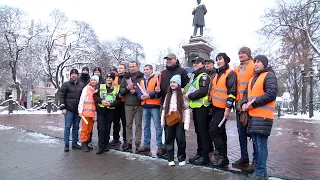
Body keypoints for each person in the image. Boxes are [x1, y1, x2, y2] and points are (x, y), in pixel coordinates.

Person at [241, 55, 277, 179]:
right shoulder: (253, 78)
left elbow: (271, 93)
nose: (255, 64)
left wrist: (252, 104)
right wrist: (243, 103)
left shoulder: (269, 75)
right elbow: (246, 94)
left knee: (261, 145)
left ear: (264, 64)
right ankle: (262, 172)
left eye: (258, 62)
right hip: (253, 116)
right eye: (254, 62)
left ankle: (260, 173)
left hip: (263, 116)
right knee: (257, 144)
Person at [209, 53, 237, 167]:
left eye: (220, 59)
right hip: (215, 107)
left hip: (223, 108)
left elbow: (232, 92)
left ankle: (221, 156)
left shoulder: (230, 74)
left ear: (225, 60)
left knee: (213, 130)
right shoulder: (217, 74)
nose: (218, 61)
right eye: (217, 59)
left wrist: (228, 108)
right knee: (220, 132)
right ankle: (224, 158)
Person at [159, 53, 190, 156]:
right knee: (167, 129)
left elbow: (188, 86)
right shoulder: (163, 72)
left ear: (175, 59)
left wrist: (184, 95)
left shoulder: (182, 71)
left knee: (179, 131)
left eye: (170, 59)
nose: (168, 61)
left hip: (178, 106)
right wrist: (158, 91)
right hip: (166, 103)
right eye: (167, 59)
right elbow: (160, 89)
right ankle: (167, 150)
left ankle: (180, 153)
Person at [233, 47, 257, 171]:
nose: (240, 54)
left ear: (248, 54)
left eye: (243, 52)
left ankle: (256, 160)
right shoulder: (237, 68)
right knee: (241, 133)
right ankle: (244, 157)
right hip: (239, 106)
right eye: (239, 52)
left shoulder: (254, 65)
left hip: (250, 105)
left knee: (252, 133)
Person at [185, 57, 211, 166]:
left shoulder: (204, 76)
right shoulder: (195, 76)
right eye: (194, 63)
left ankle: (205, 157)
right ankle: (199, 153)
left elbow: (203, 91)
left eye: (197, 62)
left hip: (202, 107)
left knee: (202, 133)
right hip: (196, 107)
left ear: (202, 64)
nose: (194, 64)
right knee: (198, 132)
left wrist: (189, 96)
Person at [161, 75, 191, 166]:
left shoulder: (182, 94)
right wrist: (163, 121)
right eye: (171, 83)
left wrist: (186, 123)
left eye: (174, 82)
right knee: (169, 140)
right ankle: (170, 159)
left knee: (181, 140)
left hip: (179, 121)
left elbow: (186, 110)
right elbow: (164, 109)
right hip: (169, 121)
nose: (172, 84)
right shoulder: (168, 95)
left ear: (178, 83)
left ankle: (181, 158)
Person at [137, 65, 162, 154]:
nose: (145, 71)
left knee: (157, 127)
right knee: (146, 126)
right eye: (144, 69)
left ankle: (160, 146)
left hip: (154, 105)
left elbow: (159, 91)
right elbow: (139, 92)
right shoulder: (142, 80)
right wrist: (140, 96)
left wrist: (150, 95)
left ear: (151, 70)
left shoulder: (156, 78)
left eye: (147, 69)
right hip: (145, 105)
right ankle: (146, 145)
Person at [94, 72, 121, 154]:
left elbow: (118, 100)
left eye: (110, 78)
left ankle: (106, 145)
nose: (108, 79)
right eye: (107, 78)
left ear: (113, 80)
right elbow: (95, 96)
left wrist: (111, 104)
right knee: (101, 128)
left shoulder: (116, 89)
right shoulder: (101, 86)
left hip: (110, 110)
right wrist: (101, 100)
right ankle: (101, 146)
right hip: (101, 110)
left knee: (107, 128)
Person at [120, 61, 144, 151]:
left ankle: (138, 142)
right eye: (130, 67)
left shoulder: (142, 77)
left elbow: (145, 89)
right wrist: (127, 88)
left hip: (139, 104)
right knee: (128, 125)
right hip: (128, 104)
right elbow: (121, 91)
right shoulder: (126, 77)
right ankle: (129, 142)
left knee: (138, 124)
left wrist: (136, 91)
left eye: (133, 66)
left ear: (137, 67)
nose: (131, 68)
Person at [60, 69, 85, 152]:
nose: (74, 75)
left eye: (75, 74)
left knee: (76, 127)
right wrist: (62, 107)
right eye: (72, 74)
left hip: (77, 110)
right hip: (68, 109)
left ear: (77, 75)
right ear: (70, 75)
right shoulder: (65, 84)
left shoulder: (81, 85)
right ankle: (66, 144)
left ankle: (74, 143)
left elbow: (84, 97)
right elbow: (62, 96)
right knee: (67, 127)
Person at [78, 75, 99, 152]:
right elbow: (82, 100)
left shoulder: (96, 90)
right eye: (92, 80)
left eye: (95, 80)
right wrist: (80, 111)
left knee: (89, 129)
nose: (93, 81)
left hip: (92, 114)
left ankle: (86, 143)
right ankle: (83, 143)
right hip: (85, 114)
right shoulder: (86, 89)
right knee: (85, 129)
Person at [110, 63, 127, 147]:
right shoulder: (115, 79)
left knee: (125, 122)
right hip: (116, 103)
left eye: (121, 68)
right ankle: (116, 139)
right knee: (115, 122)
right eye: (119, 68)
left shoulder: (127, 78)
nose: (119, 69)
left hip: (124, 103)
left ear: (124, 69)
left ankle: (125, 140)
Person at [205, 58, 216, 154]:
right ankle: (210, 147)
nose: (206, 65)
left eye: (208, 63)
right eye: (205, 64)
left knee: (215, 127)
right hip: (206, 104)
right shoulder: (205, 75)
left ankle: (217, 148)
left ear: (213, 64)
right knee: (207, 126)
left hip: (214, 104)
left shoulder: (215, 74)